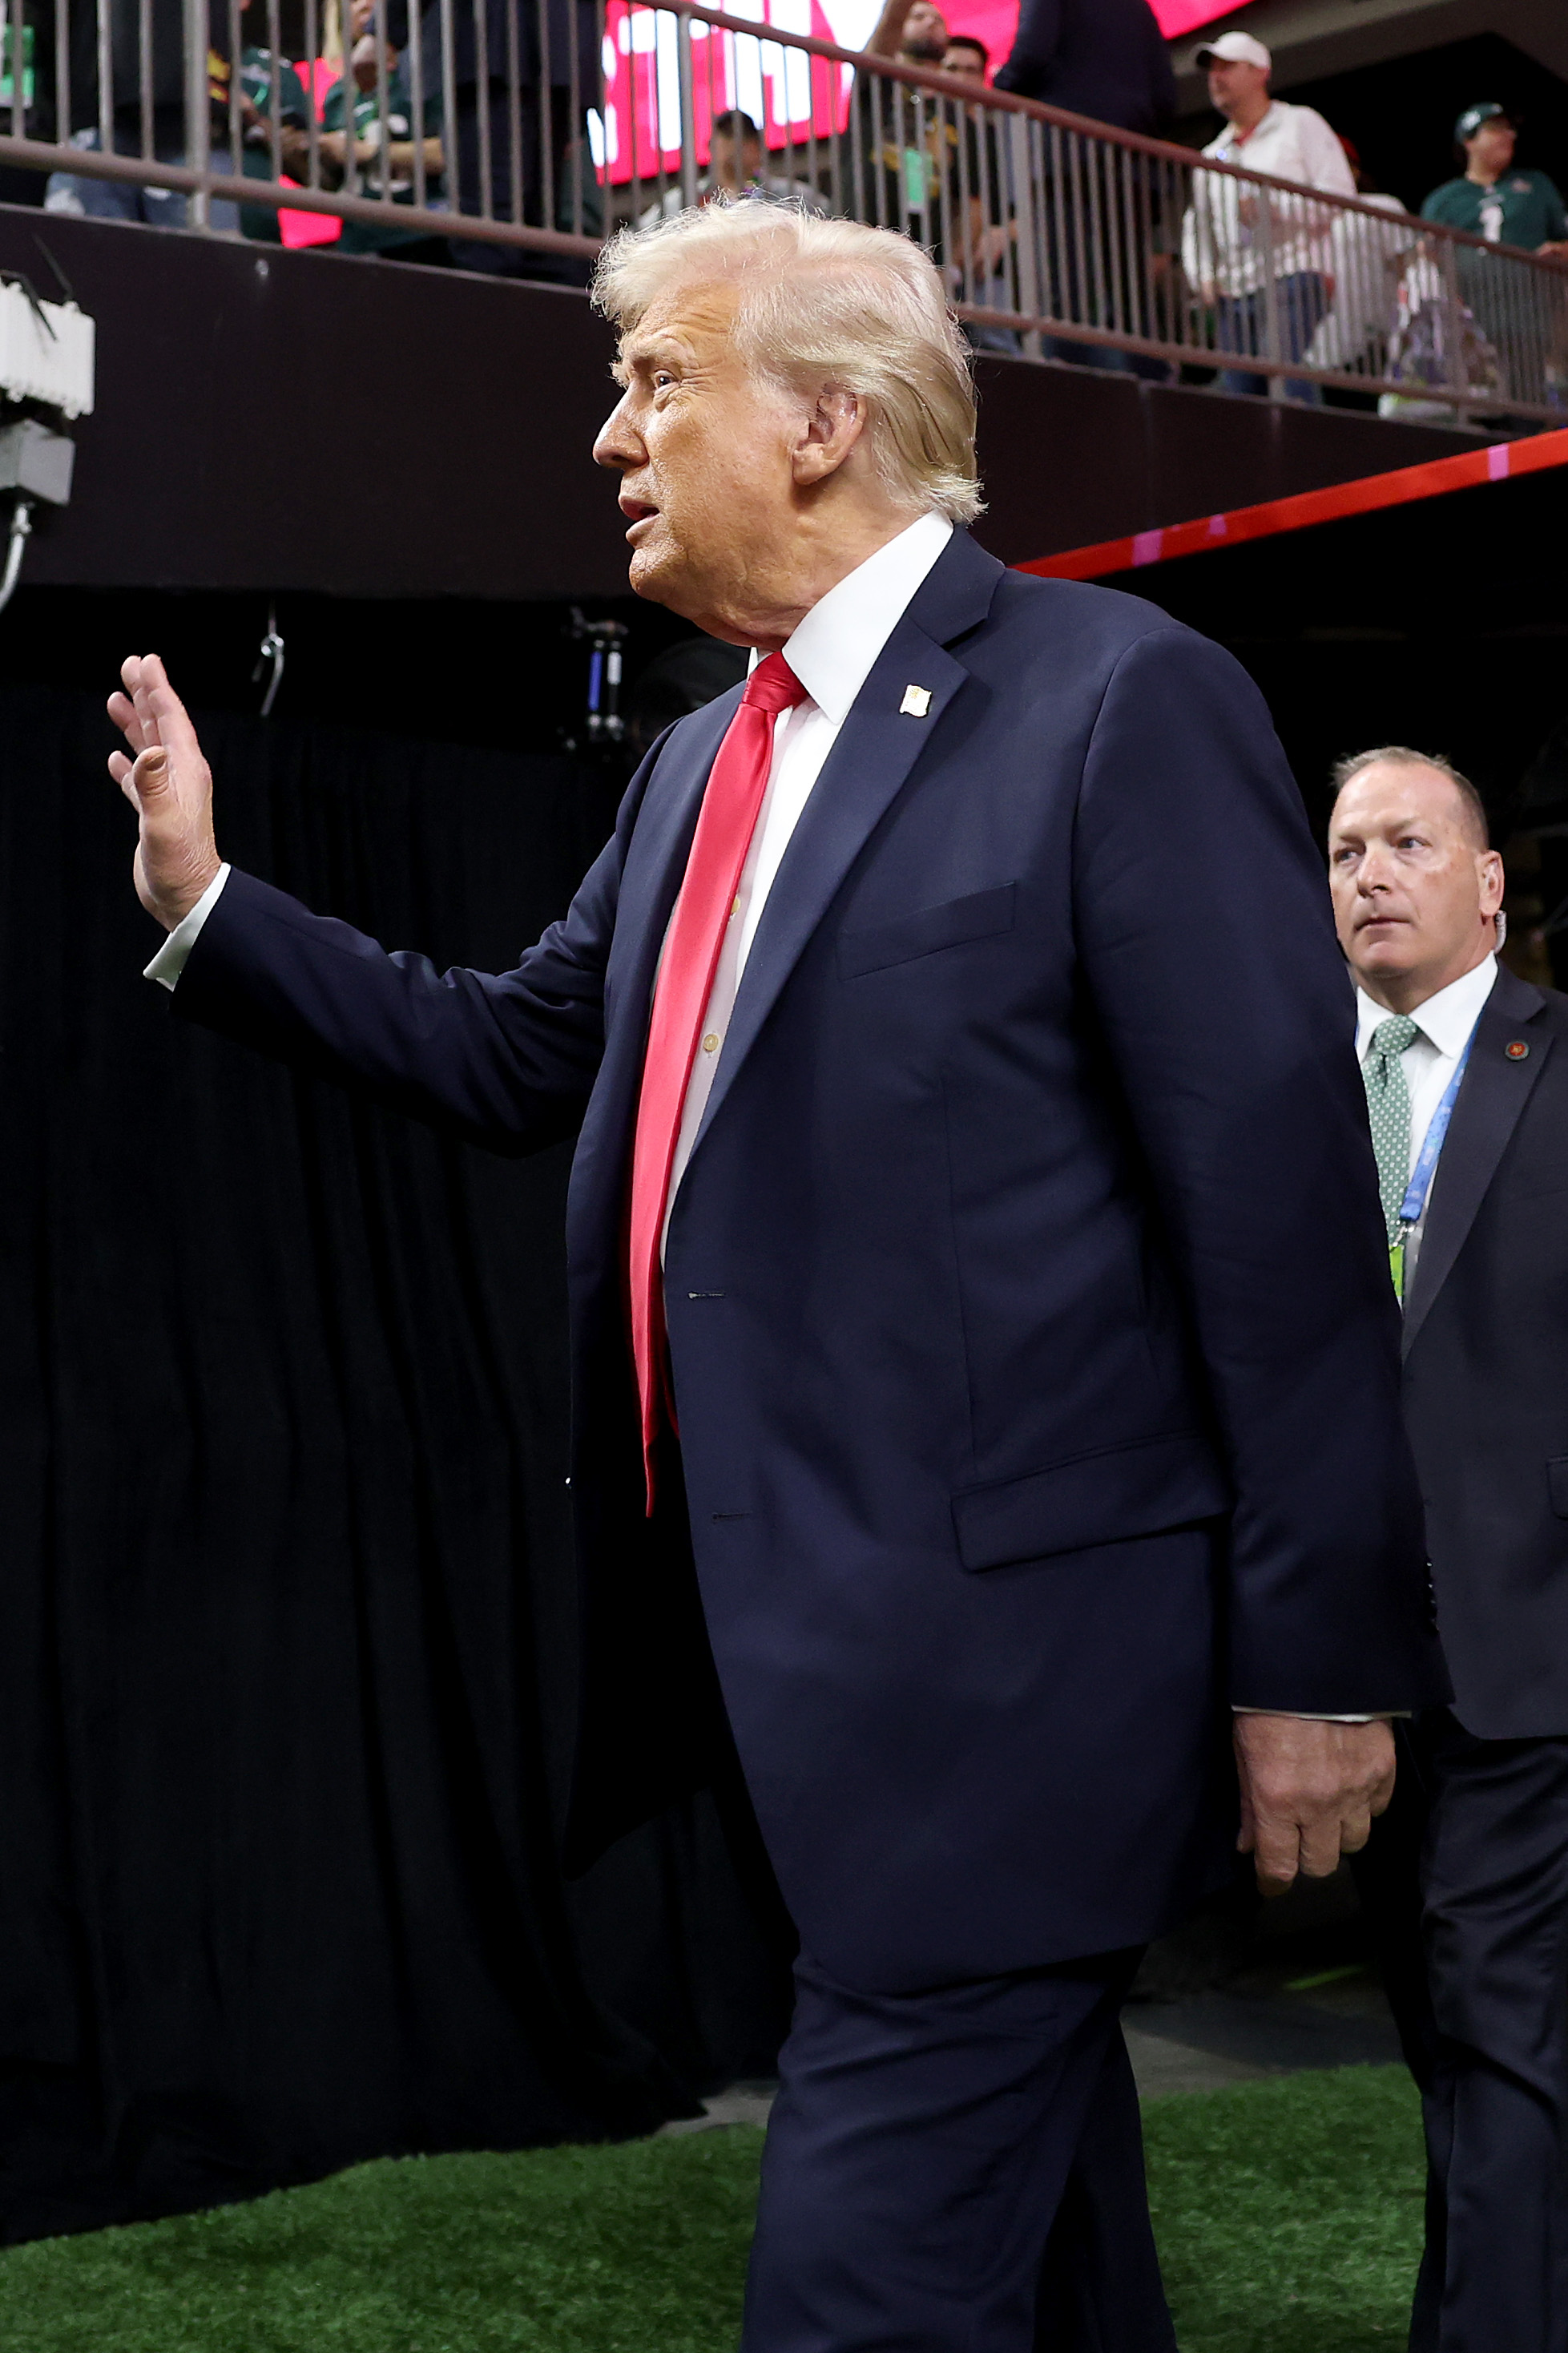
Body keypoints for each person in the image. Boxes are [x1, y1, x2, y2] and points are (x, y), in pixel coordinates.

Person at [109, 205, 1444, 2352]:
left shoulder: (1119, 703)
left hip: (1018, 1695)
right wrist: (213, 902)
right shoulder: (687, 770)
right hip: (795, 1676)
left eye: (658, 384)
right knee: (1040, 2226)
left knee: (862, 2284)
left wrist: (1315, 1666)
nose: (613, 438)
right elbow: (513, 1052)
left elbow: (1276, 1225)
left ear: (822, 420)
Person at [1328, 745, 1568, 2353]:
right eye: (1345, 847)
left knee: (1499, 2036)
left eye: (1411, 841)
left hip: (1527, 1652)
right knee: (1448, 2037)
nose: (1371, 872)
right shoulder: (1276, 1085)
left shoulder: (1562, 1066)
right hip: (1333, 1678)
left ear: (1488, 883)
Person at [1181, 30, 1355, 403]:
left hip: (1293, 274)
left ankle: (1310, 454)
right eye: (1212, 70)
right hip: (1235, 291)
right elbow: (1196, 226)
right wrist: (1204, 278)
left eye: (1228, 66)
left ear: (1260, 72)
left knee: (1286, 378)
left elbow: (1341, 193)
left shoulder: (1300, 123)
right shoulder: (1213, 155)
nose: (1216, 77)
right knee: (1241, 398)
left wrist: (1279, 210)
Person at [1421, 105, 1568, 411]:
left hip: (1536, 298)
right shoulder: (1444, 200)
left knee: (1534, 374)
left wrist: (1561, 250)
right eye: (1496, 128)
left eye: (1510, 129)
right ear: (1469, 141)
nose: (1508, 135)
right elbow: (1429, 255)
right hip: (1475, 304)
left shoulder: (1535, 183)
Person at [318, 0, 446, 260]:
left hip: (424, 238)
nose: (364, 6)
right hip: (358, 243)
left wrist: (370, 152)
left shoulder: (432, 74)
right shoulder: (339, 92)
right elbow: (330, 180)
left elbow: (455, 151)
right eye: (353, 2)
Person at [993, 0, 1175, 136]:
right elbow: (1165, 96)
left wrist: (1000, 84)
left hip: (1066, 148)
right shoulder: (1138, 6)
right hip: (1137, 157)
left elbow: (1032, 53)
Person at [639, 111, 824, 228]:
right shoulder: (681, 202)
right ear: (711, 147)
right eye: (726, 136)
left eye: (742, 139)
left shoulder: (794, 196)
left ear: (756, 148)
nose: (733, 145)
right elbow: (638, 235)